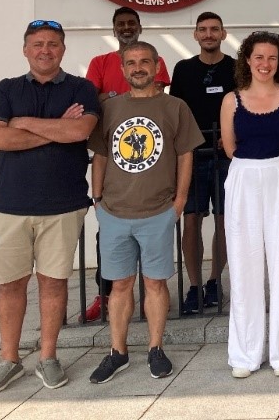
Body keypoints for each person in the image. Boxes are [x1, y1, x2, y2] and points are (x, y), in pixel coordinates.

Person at [0, 20, 99, 394]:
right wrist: (54, 129)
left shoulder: (82, 88)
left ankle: (48, 358)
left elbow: (79, 132)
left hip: (63, 205)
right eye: (37, 44)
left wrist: (26, 124)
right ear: (25, 49)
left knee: (53, 284)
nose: (45, 50)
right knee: (10, 286)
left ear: (63, 49)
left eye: (52, 44)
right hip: (9, 205)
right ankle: (9, 360)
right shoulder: (5, 89)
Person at [88, 41, 203, 384]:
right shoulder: (109, 108)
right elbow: (101, 156)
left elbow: (185, 155)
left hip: (158, 211)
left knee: (155, 283)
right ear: (122, 69)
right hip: (115, 211)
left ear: (156, 67)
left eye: (145, 62)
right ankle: (118, 352)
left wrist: (179, 202)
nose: (138, 68)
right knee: (119, 284)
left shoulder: (175, 106)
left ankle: (155, 348)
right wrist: (97, 200)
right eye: (131, 63)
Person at [219, 32, 279, 378]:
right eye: (258, 57)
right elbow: (230, 147)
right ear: (247, 60)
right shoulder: (232, 100)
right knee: (245, 266)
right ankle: (245, 353)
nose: (264, 64)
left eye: (272, 58)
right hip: (244, 178)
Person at [82, 7, 171, 322]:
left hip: (149, 165)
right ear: (114, 28)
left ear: (139, 26)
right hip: (113, 172)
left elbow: (155, 93)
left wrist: (114, 96)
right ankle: (103, 297)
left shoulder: (152, 59)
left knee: (152, 249)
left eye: (131, 23)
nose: (126, 27)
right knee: (106, 244)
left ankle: (152, 300)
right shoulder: (100, 62)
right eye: (120, 24)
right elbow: (95, 100)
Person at [170, 11, 236, 315]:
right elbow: (176, 114)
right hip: (192, 157)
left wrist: (233, 136)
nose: (209, 34)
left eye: (214, 29)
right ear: (195, 35)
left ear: (223, 34)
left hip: (227, 157)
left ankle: (214, 281)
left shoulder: (237, 69)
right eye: (203, 29)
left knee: (224, 220)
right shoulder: (183, 69)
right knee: (192, 218)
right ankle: (194, 286)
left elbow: (243, 107)